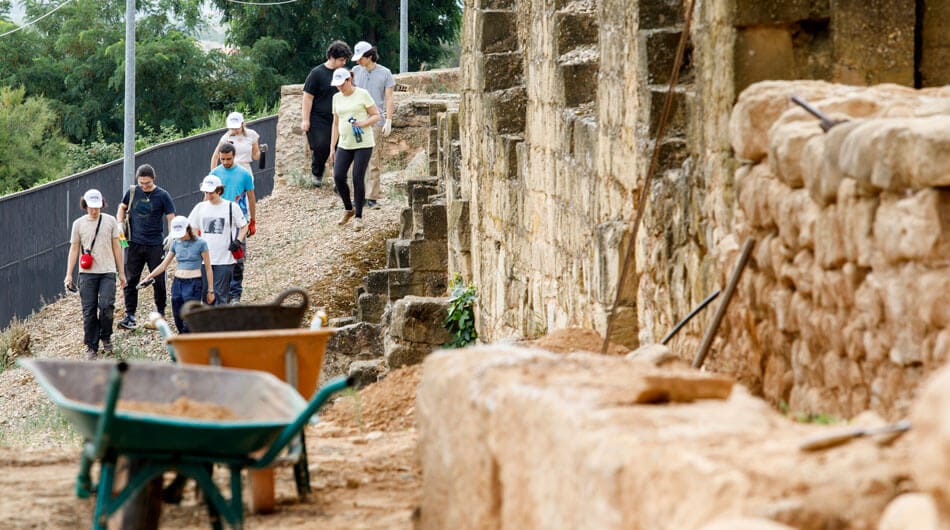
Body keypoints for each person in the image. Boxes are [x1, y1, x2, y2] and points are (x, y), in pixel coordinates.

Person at [65, 189, 127, 359]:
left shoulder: (110, 221)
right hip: (87, 273)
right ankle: (91, 345)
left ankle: (106, 336)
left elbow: (117, 246)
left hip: (107, 270)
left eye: (97, 207)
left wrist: (121, 272)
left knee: (107, 306)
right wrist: (69, 274)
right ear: (85, 206)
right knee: (89, 310)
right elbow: (74, 248)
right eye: (91, 207)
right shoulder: (78, 224)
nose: (94, 210)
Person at [116, 164, 176, 330]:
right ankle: (130, 315)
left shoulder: (163, 195)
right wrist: (119, 223)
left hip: (155, 243)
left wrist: (171, 234)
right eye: (142, 183)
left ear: (153, 180)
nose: (144, 186)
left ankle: (161, 313)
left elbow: (171, 216)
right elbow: (122, 207)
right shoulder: (133, 192)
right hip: (134, 242)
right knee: (130, 279)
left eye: (147, 184)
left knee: (158, 280)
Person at [138, 216, 215, 333]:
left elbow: (208, 268)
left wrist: (210, 290)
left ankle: (188, 338)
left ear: (188, 229)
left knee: (189, 313)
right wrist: (148, 277)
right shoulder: (176, 243)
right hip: (178, 282)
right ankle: (182, 335)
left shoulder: (201, 243)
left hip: (193, 282)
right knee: (177, 311)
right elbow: (164, 265)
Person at [330, 67, 381, 232]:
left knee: (357, 177)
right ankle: (348, 208)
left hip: (363, 144)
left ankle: (358, 216)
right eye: (336, 85)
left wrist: (362, 123)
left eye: (341, 84)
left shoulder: (362, 94)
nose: (339, 87)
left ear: (348, 80)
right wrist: (332, 146)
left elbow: (376, 115)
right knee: (338, 176)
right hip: (344, 144)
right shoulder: (336, 98)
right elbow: (336, 123)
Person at [188, 175, 248, 305]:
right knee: (206, 294)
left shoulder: (231, 207)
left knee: (220, 294)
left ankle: (220, 322)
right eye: (206, 192)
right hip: (205, 259)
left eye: (211, 192)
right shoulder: (200, 207)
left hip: (224, 259)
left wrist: (238, 241)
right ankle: (209, 322)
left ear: (219, 190)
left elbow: (244, 226)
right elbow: (192, 227)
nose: (208, 195)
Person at [351, 41, 395, 209]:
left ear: (369, 57)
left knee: (373, 158)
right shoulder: (355, 72)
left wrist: (389, 120)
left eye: (361, 58)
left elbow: (389, 97)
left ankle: (372, 195)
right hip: (357, 121)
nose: (358, 61)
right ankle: (358, 195)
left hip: (376, 120)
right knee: (356, 159)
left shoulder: (385, 73)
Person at [301, 41, 352, 187]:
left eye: (345, 60)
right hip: (319, 118)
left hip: (339, 116)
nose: (343, 63)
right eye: (341, 59)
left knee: (340, 147)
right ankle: (317, 173)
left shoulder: (344, 74)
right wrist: (305, 119)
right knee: (321, 146)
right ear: (332, 57)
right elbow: (307, 97)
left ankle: (339, 179)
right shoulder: (316, 73)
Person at [211, 142, 255, 303]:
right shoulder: (215, 174)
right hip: (218, 220)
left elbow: (251, 197)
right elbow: (206, 197)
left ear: (234, 156)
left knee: (238, 257)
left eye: (228, 159)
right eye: (222, 159)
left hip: (238, 220)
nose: (225, 162)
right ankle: (221, 291)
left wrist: (253, 221)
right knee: (219, 256)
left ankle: (235, 293)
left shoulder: (244, 174)